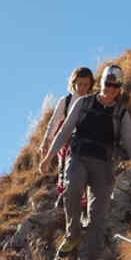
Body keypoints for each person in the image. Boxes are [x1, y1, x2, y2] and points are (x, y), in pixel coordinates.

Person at [40, 64, 131, 260]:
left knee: (98, 214)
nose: (111, 89)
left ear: (120, 88)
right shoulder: (83, 103)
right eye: (108, 84)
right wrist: (49, 157)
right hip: (78, 158)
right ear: (101, 84)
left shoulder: (121, 114)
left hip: (104, 166)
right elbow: (65, 131)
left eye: (116, 86)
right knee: (71, 190)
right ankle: (73, 234)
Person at [40, 66, 95, 212]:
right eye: (79, 84)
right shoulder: (66, 101)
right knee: (66, 168)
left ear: (90, 84)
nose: (82, 88)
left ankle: (84, 203)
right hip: (66, 141)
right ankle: (65, 196)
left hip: (87, 141)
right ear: (73, 83)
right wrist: (46, 141)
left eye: (85, 84)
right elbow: (54, 122)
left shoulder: (93, 101)